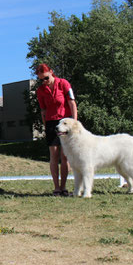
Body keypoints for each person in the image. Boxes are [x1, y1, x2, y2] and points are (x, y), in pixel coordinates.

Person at [35, 63, 78, 197]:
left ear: (52, 72)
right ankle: (57, 188)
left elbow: (72, 103)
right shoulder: (40, 90)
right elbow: (43, 110)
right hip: (51, 123)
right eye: (41, 80)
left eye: (46, 78)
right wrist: (45, 126)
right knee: (53, 155)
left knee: (65, 156)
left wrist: (74, 122)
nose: (44, 82)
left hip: (65, 122)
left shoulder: (64, 84)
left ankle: (64, 187)